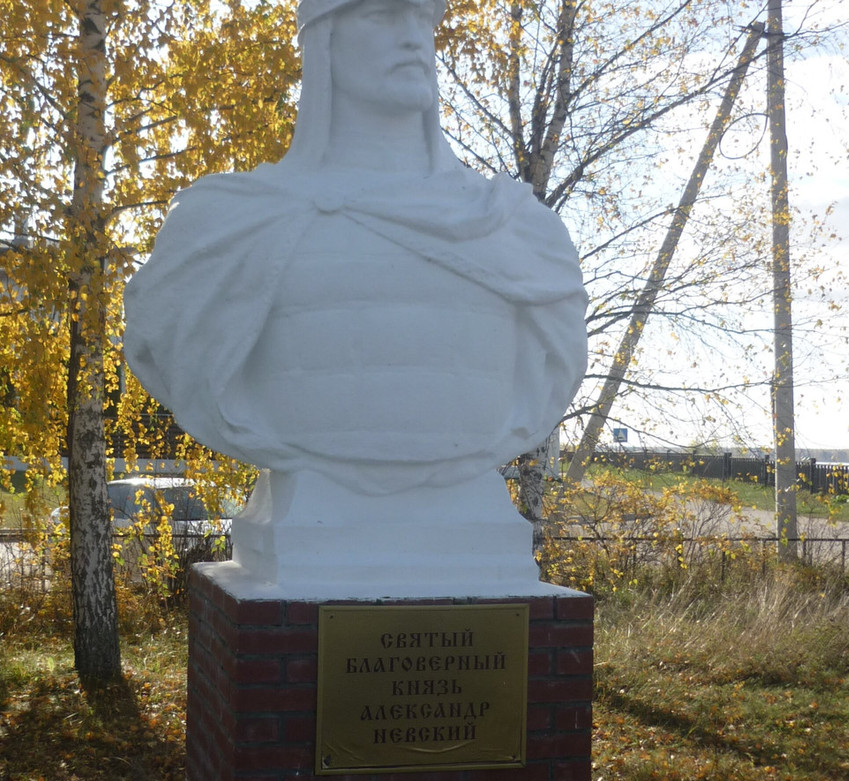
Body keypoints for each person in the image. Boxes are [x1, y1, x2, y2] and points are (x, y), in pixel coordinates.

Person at [123, 0, 587, 501]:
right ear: (324, 39)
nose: (413, 37)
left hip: (471, 515)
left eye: (423, 19)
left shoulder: (522, 230)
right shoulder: (227, 222)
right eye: (382, 14)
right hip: (304, 522)